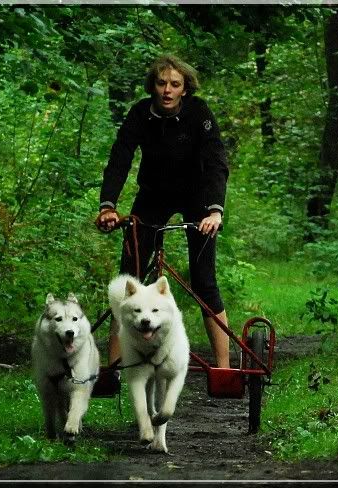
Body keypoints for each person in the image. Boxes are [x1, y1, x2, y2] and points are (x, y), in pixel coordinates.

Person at [96, 54, 231, 372]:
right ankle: (114, 369)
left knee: (204, 282)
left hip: (197, 198)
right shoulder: (140, 113)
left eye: (175, 84)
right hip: (153, 197)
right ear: (153, 86)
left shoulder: (198, 112)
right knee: (129, 282)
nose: (167, 90)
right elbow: (120, 159)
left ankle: (224, 369)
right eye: (161, 83)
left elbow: (216, 161)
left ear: (185, 88)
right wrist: (108, 206)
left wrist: (215, 211)